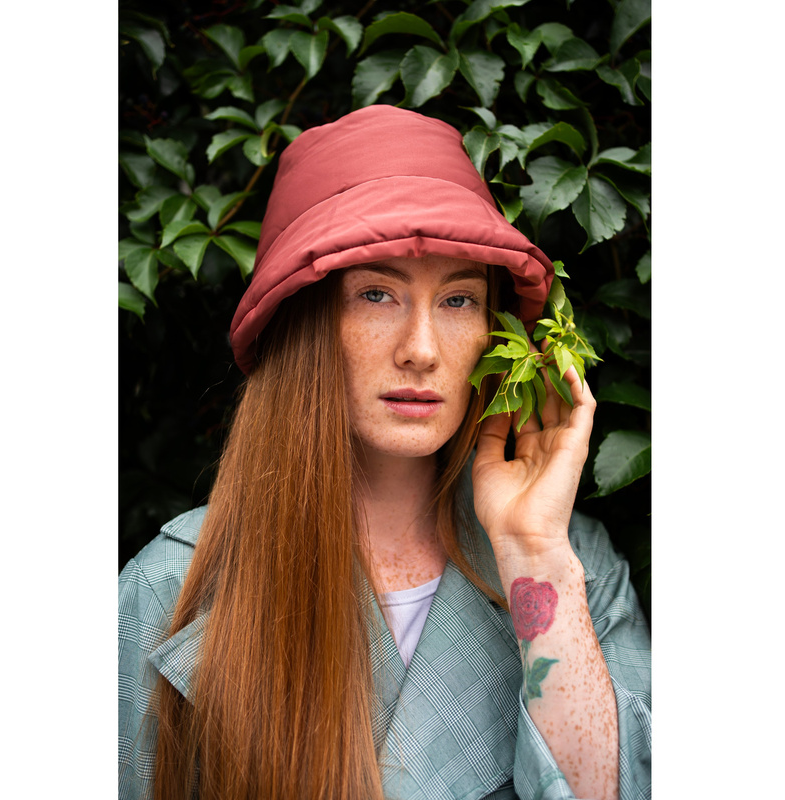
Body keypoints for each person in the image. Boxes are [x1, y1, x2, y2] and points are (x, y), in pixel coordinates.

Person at [119, 105, 651, 800]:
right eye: (376, 294)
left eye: (459, 300)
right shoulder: (171, 591)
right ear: (305, 325)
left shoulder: (574, 567)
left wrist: (531, 547)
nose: (423, 350)